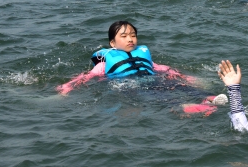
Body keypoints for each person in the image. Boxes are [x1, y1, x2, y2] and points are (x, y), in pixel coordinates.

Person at [56, 21, 227, 114]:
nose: (130, 39)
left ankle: (208, 97)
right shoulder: (104, 63)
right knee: (163, 98)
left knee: (181, 87)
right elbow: (86, 77)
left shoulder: (142, 54)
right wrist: (68, 86)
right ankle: (185, 107)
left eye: (133, 35)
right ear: (112, 43)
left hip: (153, 79)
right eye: (124, 36)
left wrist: (185, 78)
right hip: (129, 87)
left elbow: (163, 68)